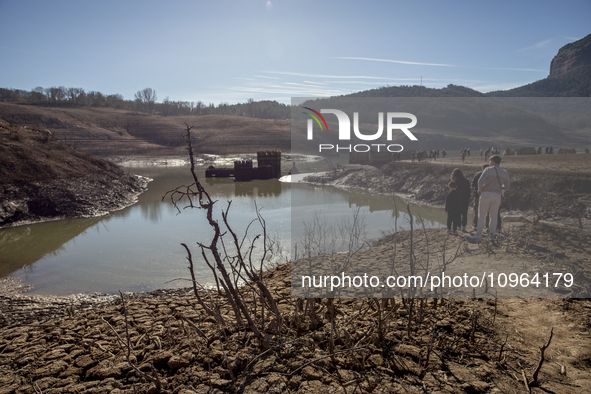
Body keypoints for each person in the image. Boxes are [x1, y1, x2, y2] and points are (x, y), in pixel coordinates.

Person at [468, 155, 510, 243]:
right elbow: (507, 186)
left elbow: (480, 181)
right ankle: (491, 235)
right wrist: (499, 188)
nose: (489, 163)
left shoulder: (488, 169)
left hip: (486, 194)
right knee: (493, 216)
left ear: (493, 161)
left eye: (490, 161)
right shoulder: (505, 172)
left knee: (482, 215)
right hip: (497, 195)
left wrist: (480, 190)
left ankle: (478, 235)